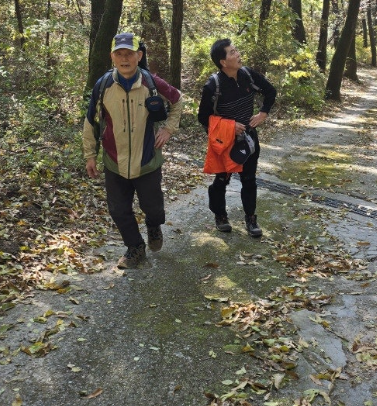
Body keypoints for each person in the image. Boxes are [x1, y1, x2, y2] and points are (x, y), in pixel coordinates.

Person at [83, 32, 183, 269]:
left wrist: (168, 129)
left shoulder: (151, 83)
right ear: (112, 57)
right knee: (118, 210)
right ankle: (135, 247)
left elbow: (178, 99)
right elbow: (91, 121)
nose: (124, 58)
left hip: (147, 159)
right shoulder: (103, 85)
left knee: (154, 208)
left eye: (129, 53)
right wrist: (90, 155)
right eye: (119, 54)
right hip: (114, 160)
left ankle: (153, 226)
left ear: (139, 55)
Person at [197, 39, 277, 237]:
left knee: (249, 180)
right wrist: (229, 127)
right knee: (222, 180)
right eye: (232, 52)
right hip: (225, 143)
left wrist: (263, 113)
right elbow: (203, 117)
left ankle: (251, 218)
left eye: (236, 50)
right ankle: (220, 215)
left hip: (248, 139)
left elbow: (270, 91)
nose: (238, 54)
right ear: (223, 62)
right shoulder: (213, 85)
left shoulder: (247, 75)